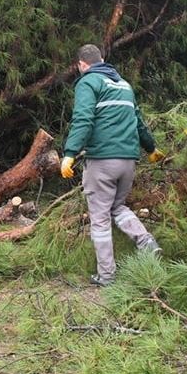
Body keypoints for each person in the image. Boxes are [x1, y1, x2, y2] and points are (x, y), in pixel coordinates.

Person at [60, 44, 162, 285]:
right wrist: (152, 148)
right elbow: (138, 122)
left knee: (100, 218)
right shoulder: (124, 85)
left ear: (81, 65)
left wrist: (70, 153)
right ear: (103, 60)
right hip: (128, 161)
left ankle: (106, 275)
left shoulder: (89, 82)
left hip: (103, 160)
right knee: (117, 207)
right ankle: (146, 241)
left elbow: (83, 118)